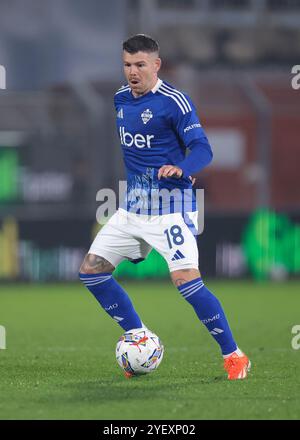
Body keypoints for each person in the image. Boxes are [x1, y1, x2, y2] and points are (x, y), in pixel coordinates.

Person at [79, 34, 250, 380]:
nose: (132, 72)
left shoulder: (175, 102)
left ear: (156, 65)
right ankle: (139, 335)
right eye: (127, 65)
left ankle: (234, 355)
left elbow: (203, 149)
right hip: (132, 208)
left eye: (140, 65)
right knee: (91, 271)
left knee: (186, 280)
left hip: (172, 208)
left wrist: (182, 168)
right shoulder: (120, 99)